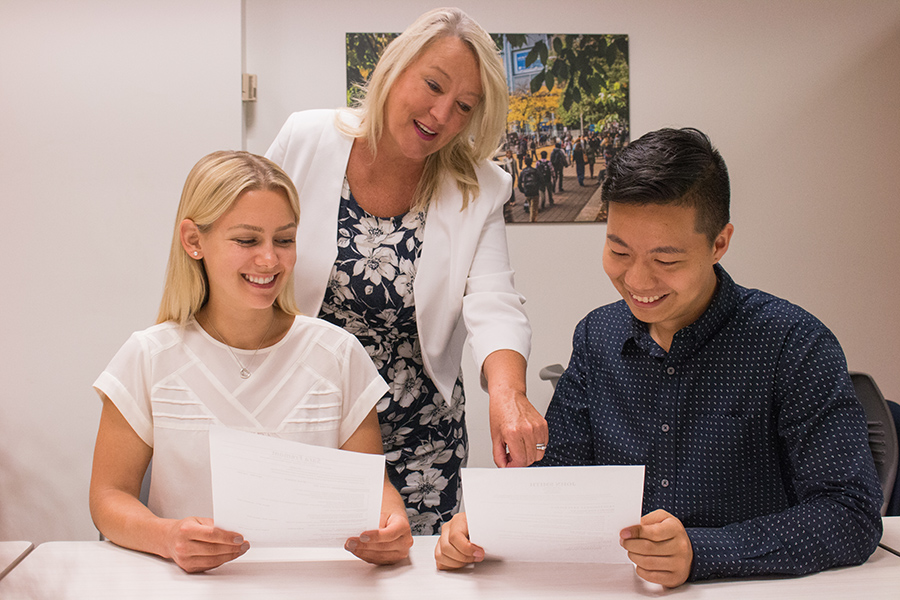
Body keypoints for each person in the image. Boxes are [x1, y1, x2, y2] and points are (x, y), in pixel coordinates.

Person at [434, 127, 883, 586]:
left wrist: (702, 550)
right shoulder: (597, 336)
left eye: (666, 260)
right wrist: (493, 526)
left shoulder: (792, 344)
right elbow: (555, 478)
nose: (638, 281)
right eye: (618, 250)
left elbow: (850, 513)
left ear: (719, 243)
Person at [265, 7, 547, 535]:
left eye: (464, 106)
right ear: (396, 67)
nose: (442, 115)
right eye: (433, 85)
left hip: (421, 439)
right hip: (304, 422)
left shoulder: (479, 186)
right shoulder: (306, 139)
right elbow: (247, 242)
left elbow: (493, 302)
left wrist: (509, 394)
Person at [89, 151, 412, 573]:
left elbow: (374, 490)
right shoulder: (149, 357)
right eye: (246, 240)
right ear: (193, 240)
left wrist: (393, 523)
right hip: (189, 585)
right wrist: (166, 537)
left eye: (284, 239)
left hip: (315, 583)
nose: (269, 260)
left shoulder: (337, 354)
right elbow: (108, 496)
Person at [518, 155, 541, 222]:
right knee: (534, 210)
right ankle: (532, 222)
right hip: (535, 192)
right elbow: (541, 180)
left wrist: (523, 190)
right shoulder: (535, 171)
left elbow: (519, 183)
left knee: (531, 207)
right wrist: (537, 187)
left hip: (527, 192)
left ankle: (533, 220)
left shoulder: (523, 172)